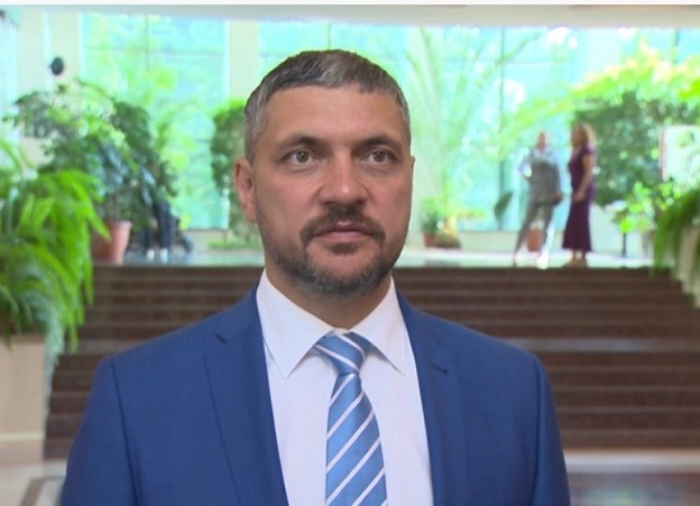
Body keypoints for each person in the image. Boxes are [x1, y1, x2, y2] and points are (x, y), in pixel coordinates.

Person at [61, 49, 570, 505]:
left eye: (377, 156)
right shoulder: (138, 400)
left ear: (409, 178)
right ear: (247, 188)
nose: (345, 190)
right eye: (302, 157)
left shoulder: (511, 391)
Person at [512, 131, 562, 268]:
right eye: (540, 138)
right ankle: (517, 250)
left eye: (544, 138)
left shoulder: (552, 154)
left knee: (547, 223)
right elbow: (519, 168)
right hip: (534, 192)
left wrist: (558, 190)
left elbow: (559, 173)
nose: (542, 141)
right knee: (527, 221)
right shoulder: (532, 153)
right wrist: (528, 178)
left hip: (548, 192)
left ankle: (544, 251)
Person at [562, 123, 597, 267]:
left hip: (584, 190)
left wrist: (582, 191)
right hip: (575, 189)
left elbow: (588, 172)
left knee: (581, 220)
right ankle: (573, 254)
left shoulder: (587, 151)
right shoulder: (575, 151)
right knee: (573, 220)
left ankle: (582, 255)